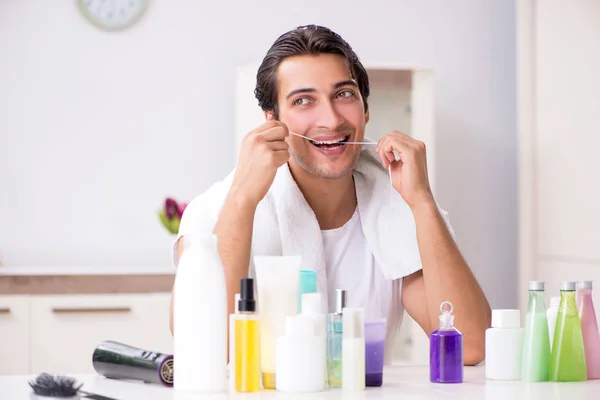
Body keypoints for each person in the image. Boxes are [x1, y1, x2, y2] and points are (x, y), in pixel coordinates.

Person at [170, 24, 490, 365]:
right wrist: (242, 200)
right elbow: (202, 344)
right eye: (303, 100)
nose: (331, 119)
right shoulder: (215, 211)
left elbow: (470, 346)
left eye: (344, 94)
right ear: (271, 121)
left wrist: (423, 202)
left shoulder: (399, 210)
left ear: (366, 109)